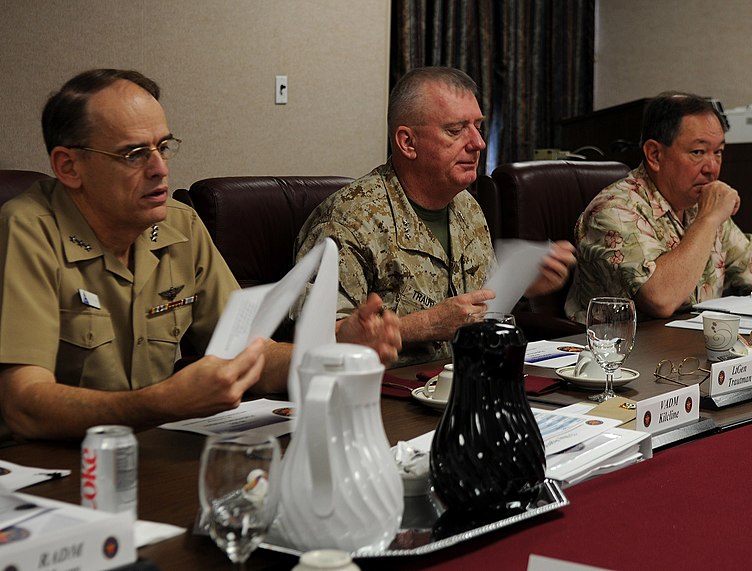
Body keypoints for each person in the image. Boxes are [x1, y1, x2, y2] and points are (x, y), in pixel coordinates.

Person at [0, 69, 401, 441]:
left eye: (163, 146)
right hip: (45, 469)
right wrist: (160, 402)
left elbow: (250, 354)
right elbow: (23, 405)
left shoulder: (180, 226)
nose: (159, 169)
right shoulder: (29, 228)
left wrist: (332, 352)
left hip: (149, 453)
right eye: (134, 154)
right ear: (69, 167)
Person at [295, 66, 575, 365]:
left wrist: (524, 283)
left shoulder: (467, 207)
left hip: (470, 382)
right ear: (408, 143)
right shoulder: (349, 220)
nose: (478, 142)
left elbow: (478, 307)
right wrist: (424, 325)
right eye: (456, 130)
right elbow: (316, 342)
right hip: (387, 396)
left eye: (478, 126)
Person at [565, 91, 752, 323]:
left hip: (688, 347)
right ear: (655, 155)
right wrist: (708, 220)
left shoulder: (700, 205)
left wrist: (708, 217)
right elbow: (661, 299)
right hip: (622, 354)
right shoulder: (613, 210)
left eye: (718, 152)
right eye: (698, 152)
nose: (712, 167)